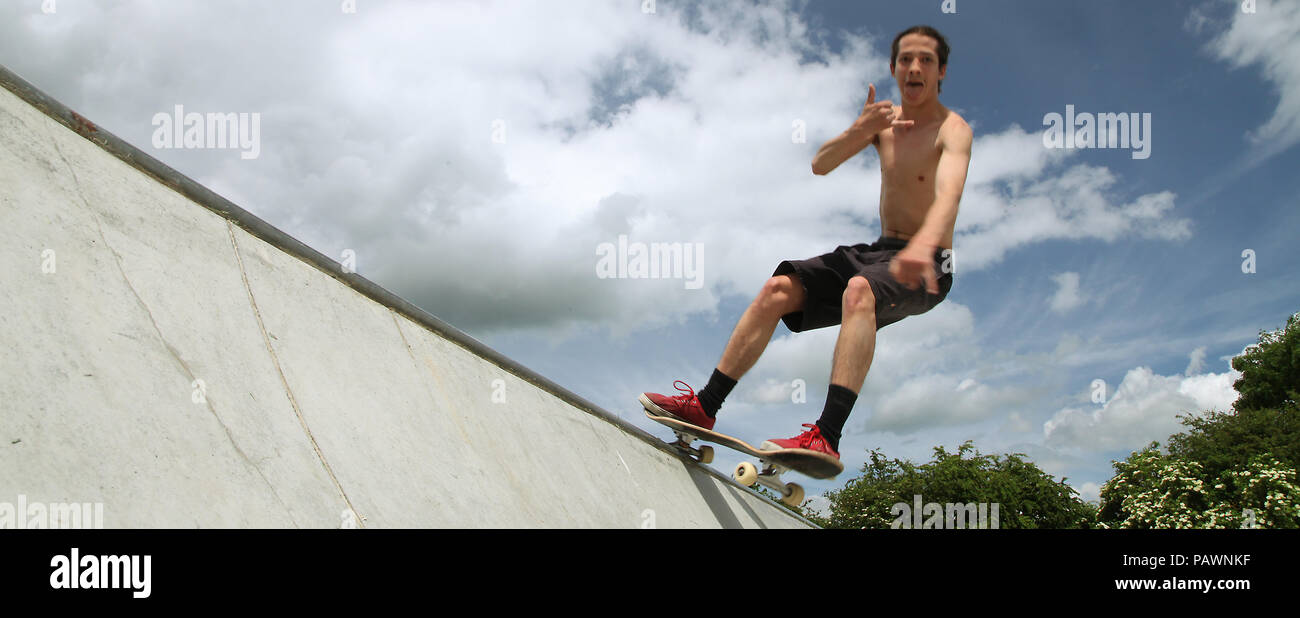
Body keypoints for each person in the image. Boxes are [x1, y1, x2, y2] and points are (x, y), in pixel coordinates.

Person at [640, 25, 973, 461]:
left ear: (941, 71)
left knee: (860, 291)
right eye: (905, 59)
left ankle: (826, 437)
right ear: (893, 68)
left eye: (925, 59)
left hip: (930, 260)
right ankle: (705, 406)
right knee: (778, 289)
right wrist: (860, 128)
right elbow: (820, 164)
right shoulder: (883, 126)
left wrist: (921, 245)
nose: (914, 67)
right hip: (879, 251)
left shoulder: (953, 129)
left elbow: (949, 197)